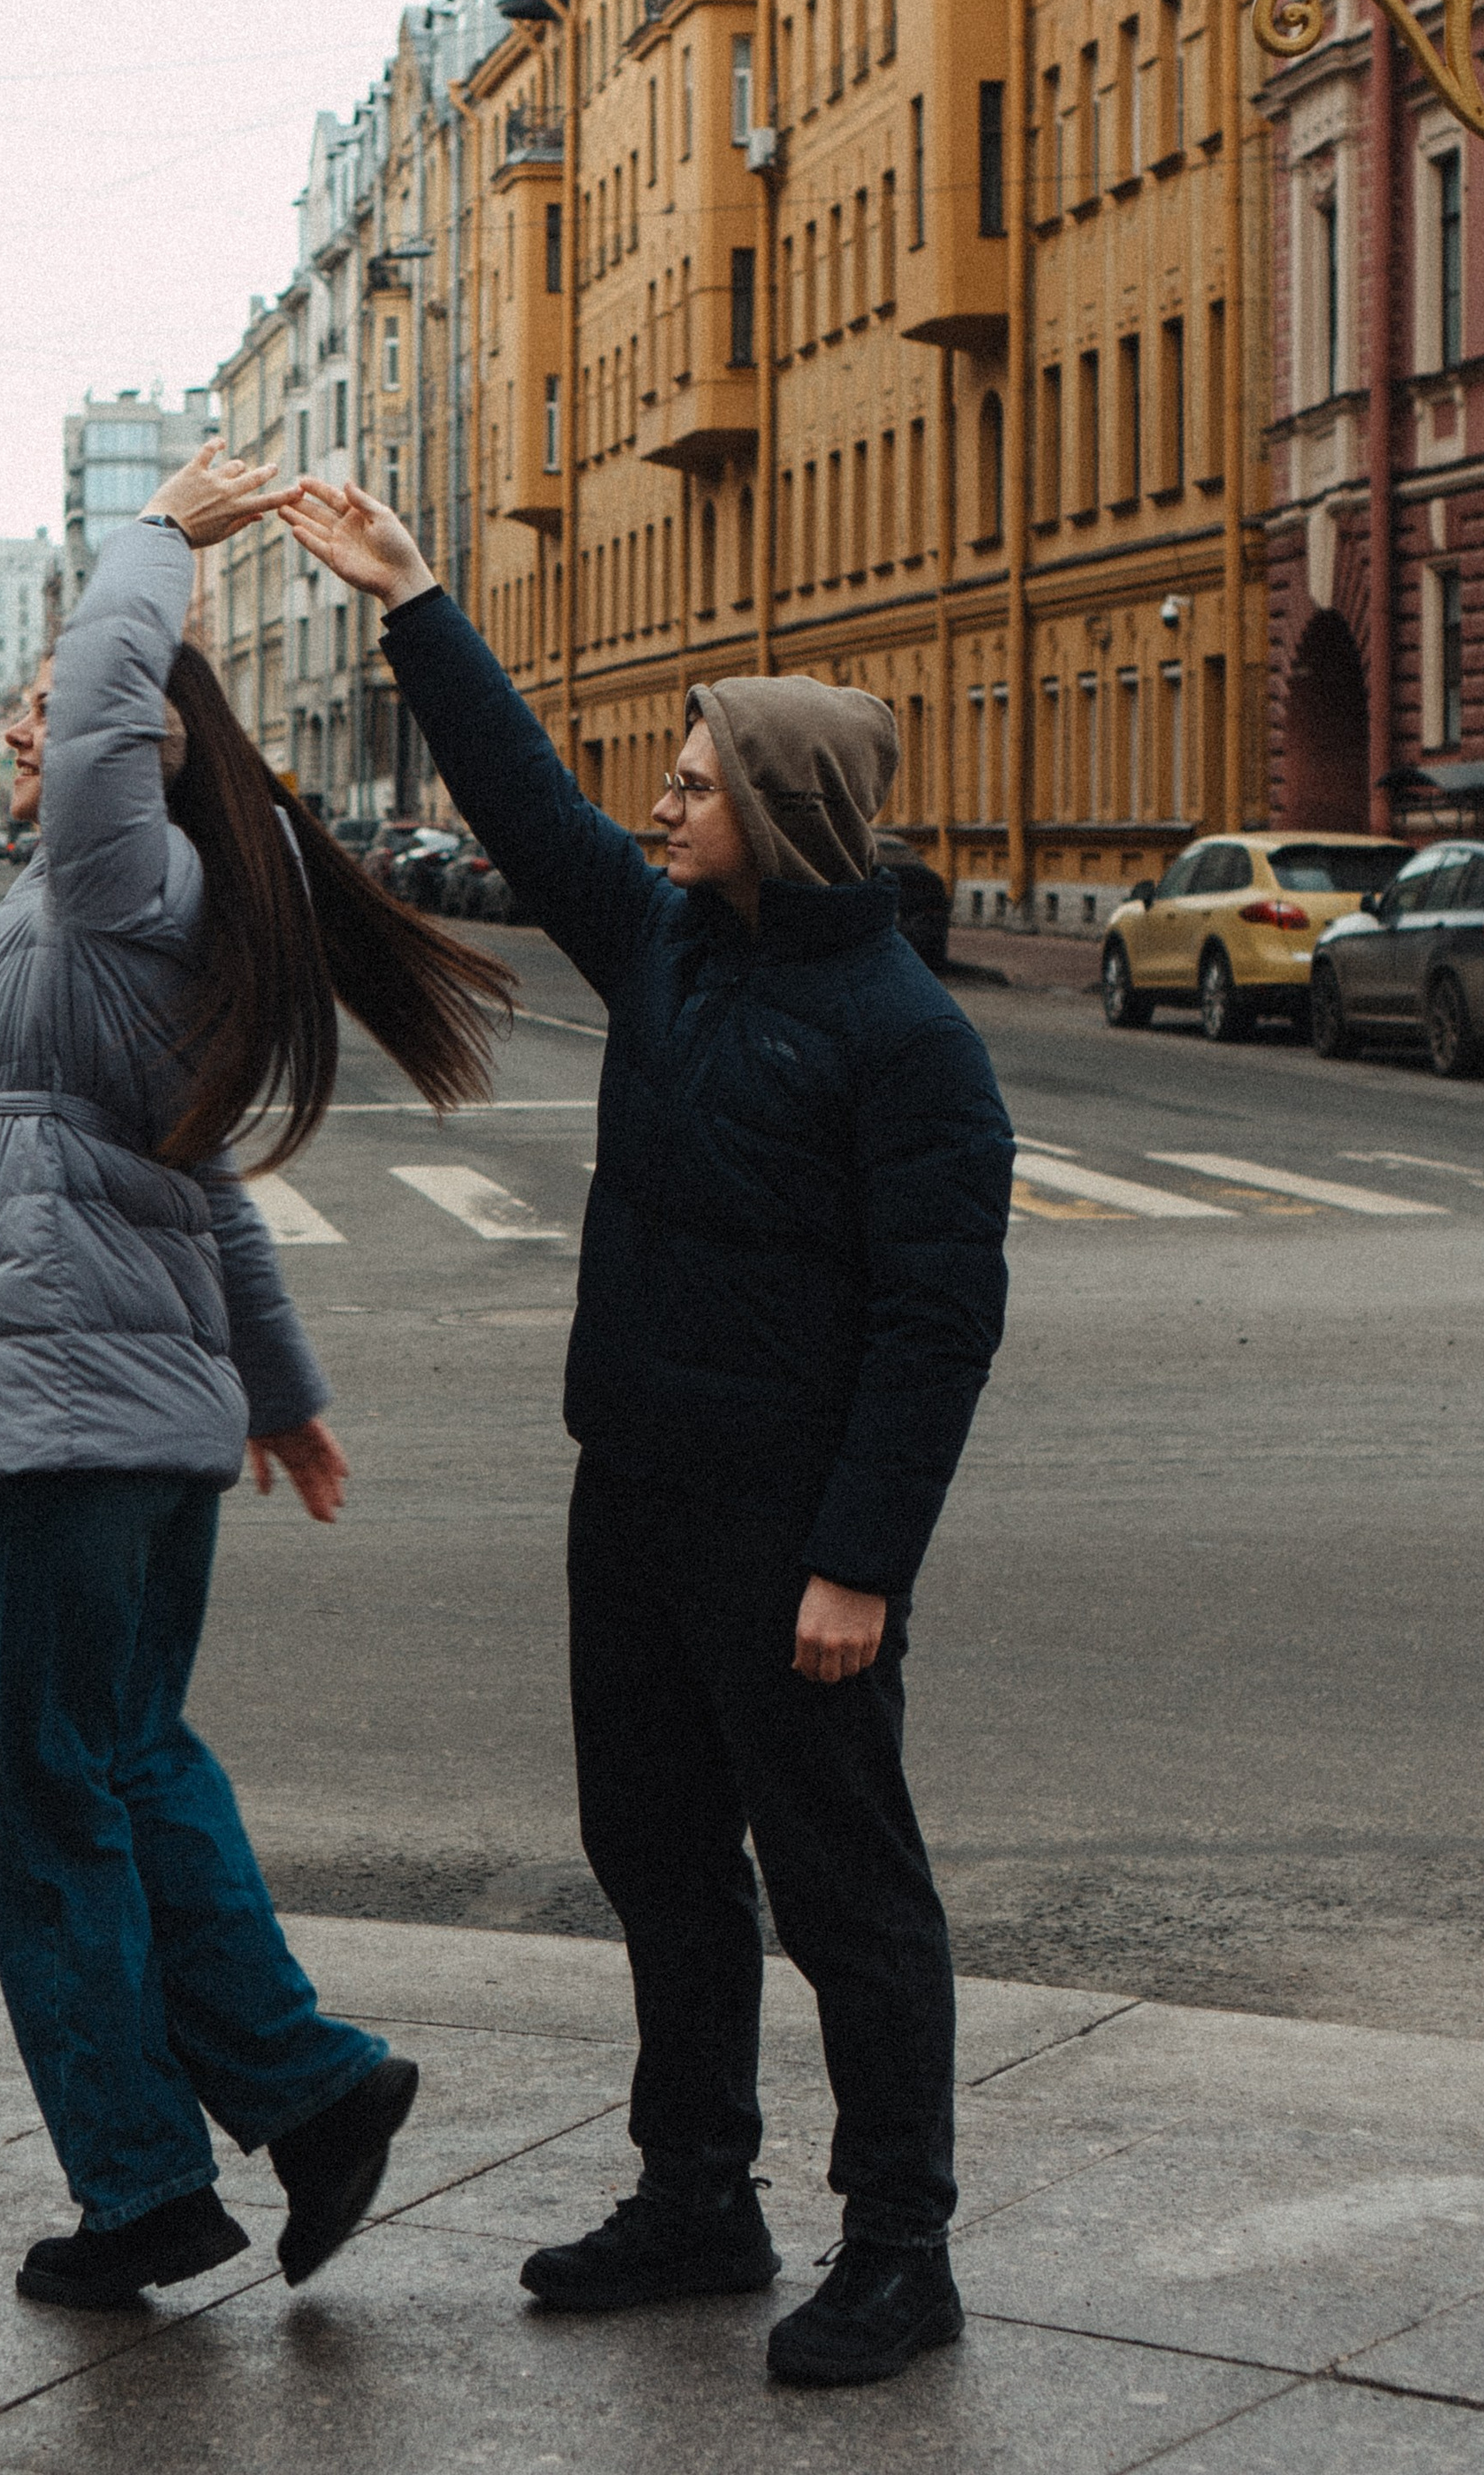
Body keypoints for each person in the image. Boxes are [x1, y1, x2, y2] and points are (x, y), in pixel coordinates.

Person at [282, 473, 1013, 2396]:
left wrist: (858, 1560)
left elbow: (938, 1332)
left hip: (794, 1537)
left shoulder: (904, 1041)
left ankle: (898, 2247)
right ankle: (697, 2195)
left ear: (766, 814)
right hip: (636, 1495)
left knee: (849, 1891)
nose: (655, 807)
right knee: (659, 1856)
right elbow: (520, 802)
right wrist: (415, 602)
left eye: (688, 784)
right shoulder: (675, 955)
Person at [0, 443, 516, 2314]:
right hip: (120, 1390)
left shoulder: (118, 868)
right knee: (123, 1759)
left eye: (33, 744)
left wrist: (152, 541)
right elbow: (200, 1176)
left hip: (60, 1392)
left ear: (137, 740)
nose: (21, 764)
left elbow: (94, 705)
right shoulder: (151, 896)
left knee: (27, 1786)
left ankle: (151, 2181)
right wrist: (279, 1387)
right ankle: (308, 2098)